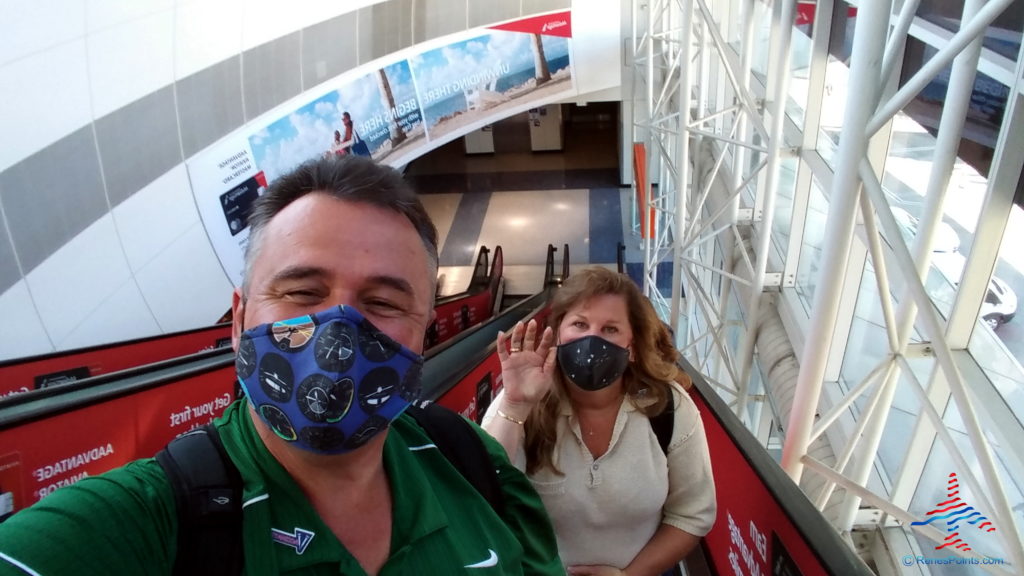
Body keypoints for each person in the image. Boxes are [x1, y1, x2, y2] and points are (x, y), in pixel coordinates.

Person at [0, 155, 563, 576]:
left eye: (384, 303)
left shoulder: (470, 465)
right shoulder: (144, 525)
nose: (339, 331)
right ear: (240, 318)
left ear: (423, 332)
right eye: (301, 290)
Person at [482, 266, 716, 576]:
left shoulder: (668, 408)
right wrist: (516, 405)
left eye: (610, 329)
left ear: (631, 348)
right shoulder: (521, 403)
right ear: (559, 334)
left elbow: (692, 514)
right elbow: (482, 495)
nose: (592, 340)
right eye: (579, 324)